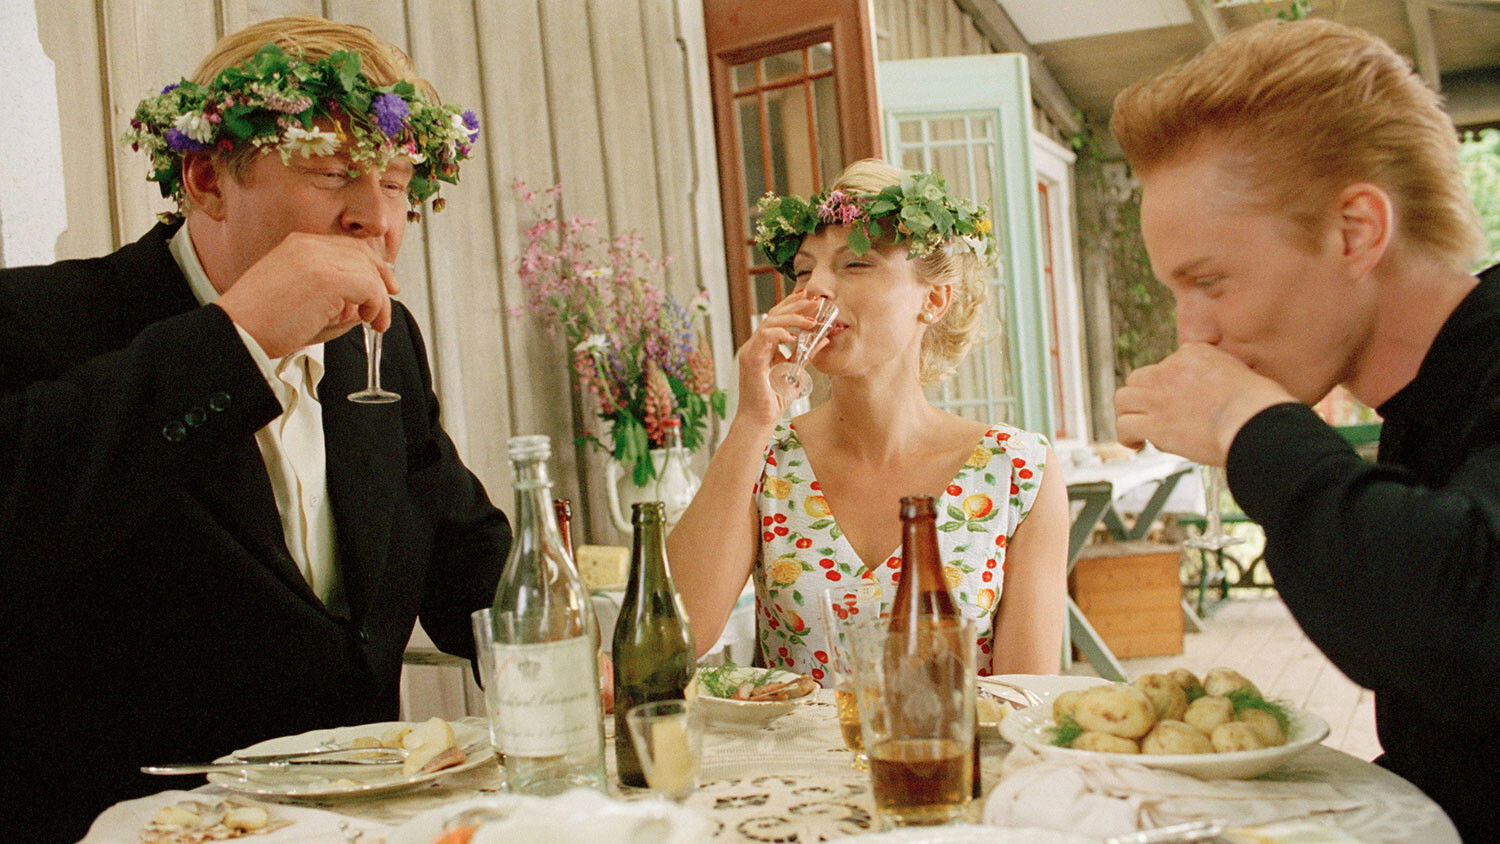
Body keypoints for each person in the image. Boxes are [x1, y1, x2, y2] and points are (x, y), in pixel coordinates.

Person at [0, 17, 509, 840]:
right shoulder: (36, 321)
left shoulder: (385, 347)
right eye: (333, 172)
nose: (374, 218)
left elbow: (471, 570)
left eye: (395, 184)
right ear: (206, 179)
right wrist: (239, 338)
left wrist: (578, 657)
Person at [1110, 18, 1498, 840]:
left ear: (1355, 231)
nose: (1192, 335)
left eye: (1210, 282)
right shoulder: (1425, 403)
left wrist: (1248, 423)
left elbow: (1462, 628)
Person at [670, 159, 1068, 679]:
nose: (816, 288)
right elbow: (674, 635)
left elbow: (1027, 697)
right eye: (803, 271)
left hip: (954, 736)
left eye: (856, 264)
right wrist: (751, 420)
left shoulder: (1017, 471)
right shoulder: (766, 458)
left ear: (934, 299)